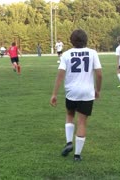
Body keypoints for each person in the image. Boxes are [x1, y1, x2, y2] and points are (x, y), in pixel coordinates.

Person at [50, 29, 102, 161]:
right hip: (87, 92)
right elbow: (99, 74)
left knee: (69, 115)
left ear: (71, 41)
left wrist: (54, 94)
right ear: (86, 40)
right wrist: (98, 90)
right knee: (82, 122)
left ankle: (69, 142)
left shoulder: (66, 55)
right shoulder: (92, 53)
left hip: (71, 92)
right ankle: (77, 155)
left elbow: (60, 75)